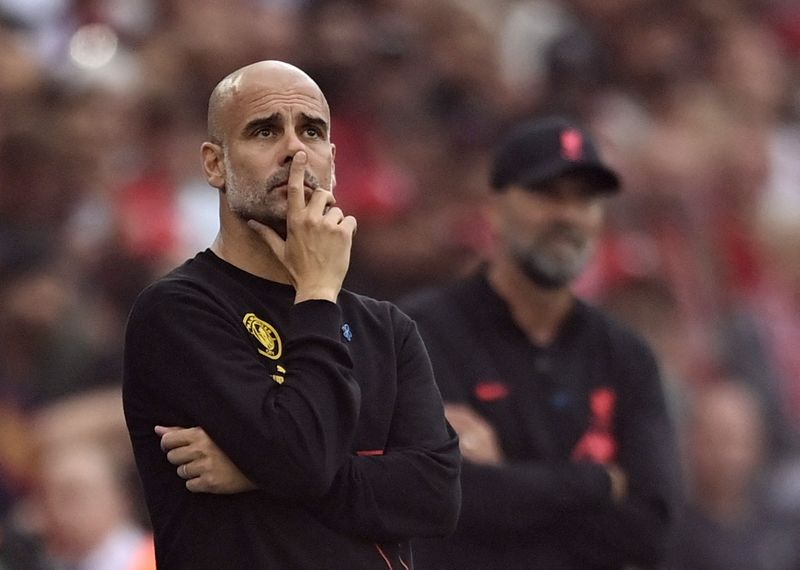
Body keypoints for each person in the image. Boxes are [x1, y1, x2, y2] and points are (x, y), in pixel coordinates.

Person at [122, 60, 461, 569]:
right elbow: (300, 458)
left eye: (312, 131)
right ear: (215, 164)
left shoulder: (387, 329)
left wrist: (256, 472)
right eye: (264, 131)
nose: (295, 149)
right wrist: (319, 291)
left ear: (332, 160)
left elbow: (435, 496)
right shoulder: (177, 310)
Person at [399, 116, 679, 569]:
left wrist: (510, 487)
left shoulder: (626, 356)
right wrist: (599, 484)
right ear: (493, 210)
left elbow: (650, 530)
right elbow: (444, 500)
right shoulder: (419, 334)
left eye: (584, 199)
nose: (567, 216)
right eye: (546, 194)